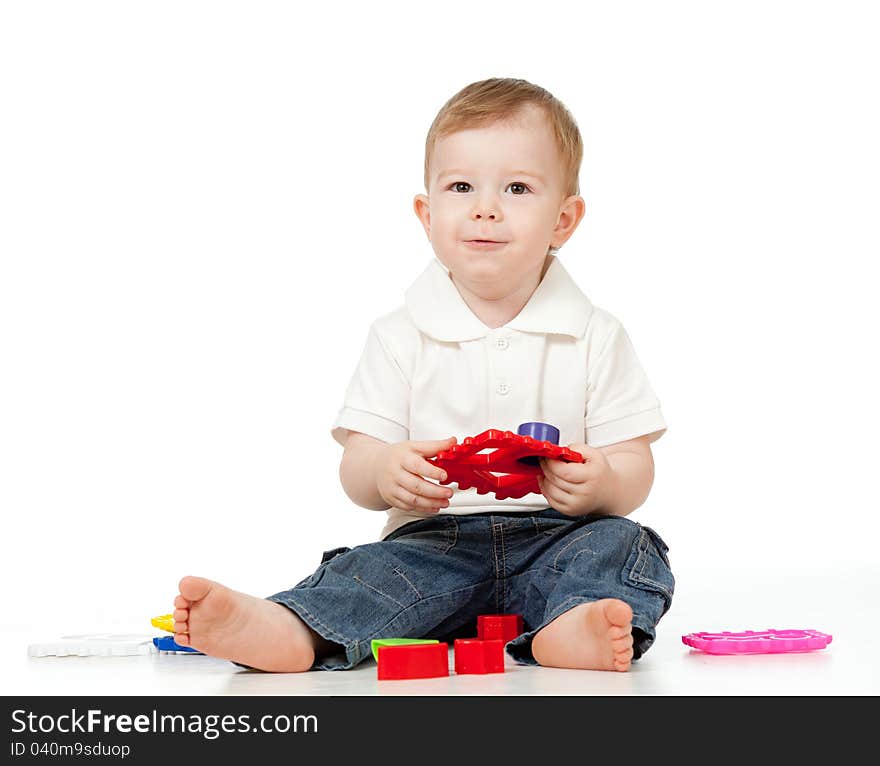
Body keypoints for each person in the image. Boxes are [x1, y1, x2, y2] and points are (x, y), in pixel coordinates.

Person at [171, 77, 675, 673]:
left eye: (517, 187)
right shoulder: (398, 334)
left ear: (564, 220)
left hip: (559, 537)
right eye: (461, 186)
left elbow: (635, 467)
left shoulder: (596, 334)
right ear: (426, 213)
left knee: (623, 544)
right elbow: (356, 470)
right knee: (373, 573)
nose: (485, 207)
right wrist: (385, 471)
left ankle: (573, 624)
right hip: (436, 542)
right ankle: (293, 627)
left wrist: (603, 484)